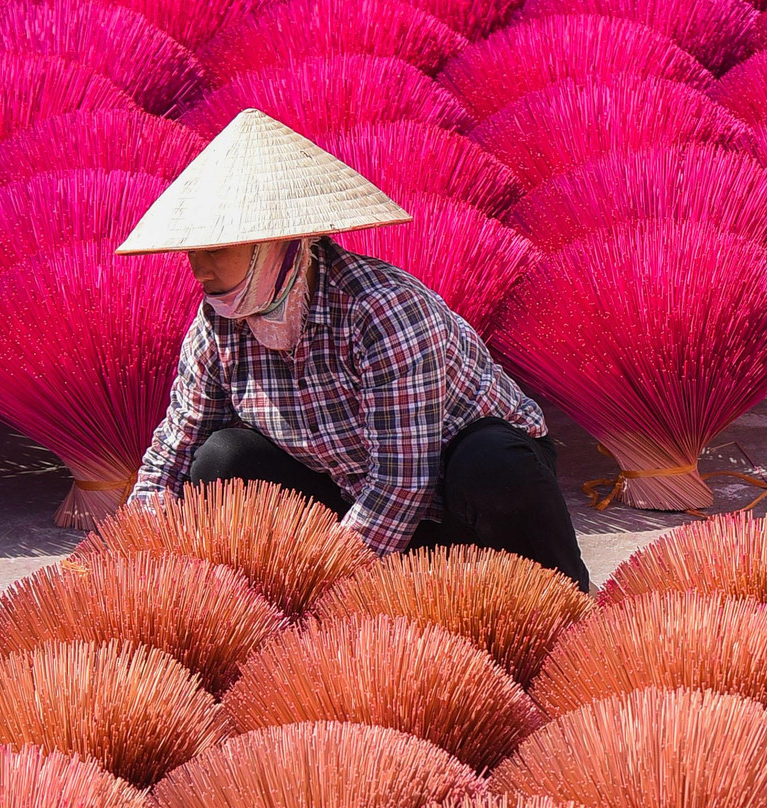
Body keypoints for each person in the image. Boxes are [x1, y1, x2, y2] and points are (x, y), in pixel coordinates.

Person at [119, 110, 587, 581]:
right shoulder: (217, 325)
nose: (200, 269)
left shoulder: (382, 310)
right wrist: (135, 549)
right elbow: (176, 448)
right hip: (356, 497)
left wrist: (329, 585)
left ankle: (560, 597)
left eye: (215, 248)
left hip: (467, 500)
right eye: (192, 251)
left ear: (278, 242)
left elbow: (403, 481)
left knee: (491, 464)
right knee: (222, 460)